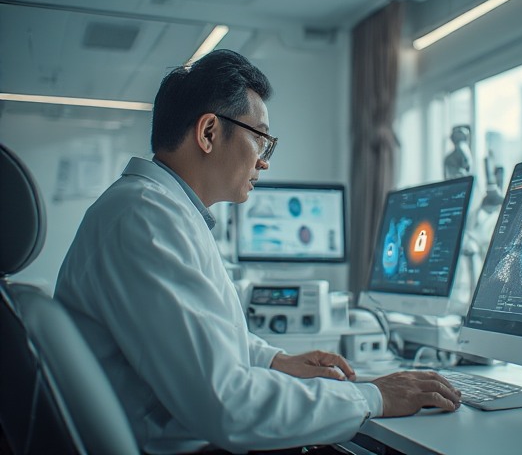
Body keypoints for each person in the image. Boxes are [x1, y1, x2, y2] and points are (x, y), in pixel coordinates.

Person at [55, 49, 461, 454]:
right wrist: (376, 397)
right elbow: (229, 405)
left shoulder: (157, 210)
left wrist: (274, 361)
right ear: (209, 133)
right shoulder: (146, 220)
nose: (264, 162)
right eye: (261, 139)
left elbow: (197, 335)